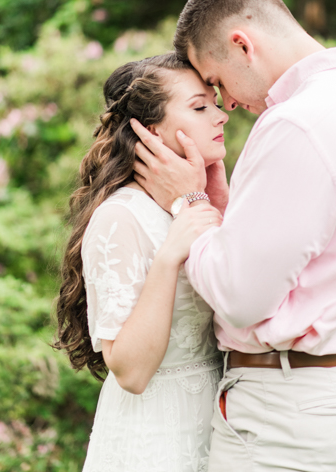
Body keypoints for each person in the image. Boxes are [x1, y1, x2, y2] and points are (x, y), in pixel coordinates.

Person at [129, 0, 336, 471]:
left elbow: (240, 298)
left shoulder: (297, 122)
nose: (226, 102)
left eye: (216, 80)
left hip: (292, 410)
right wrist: (228, 215)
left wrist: (189, 203)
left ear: (242, 45)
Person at [54, 53, 227, 471]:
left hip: (216, 428)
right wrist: (169, 257)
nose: (220, 116)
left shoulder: (195, 203)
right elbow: (129, 372)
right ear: (151, 133)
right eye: (200, 106)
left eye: (215, 102)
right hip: (154, 438)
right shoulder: (120, 217)